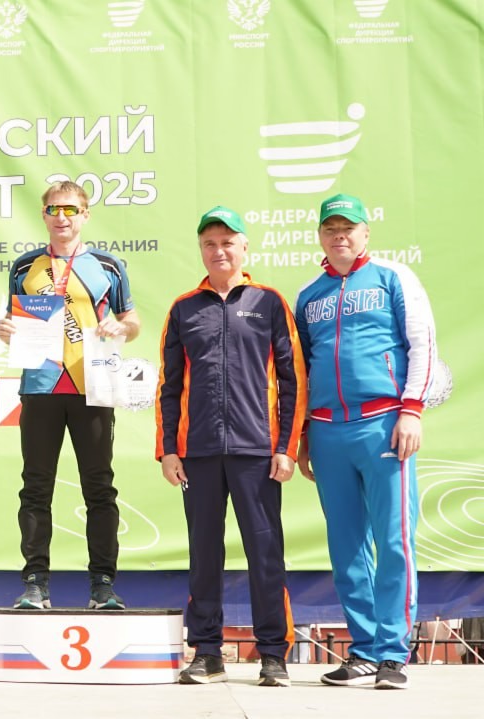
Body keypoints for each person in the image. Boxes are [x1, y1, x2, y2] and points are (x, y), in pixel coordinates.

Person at [156, 207, 307, 687]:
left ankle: (273, 654)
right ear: (201, 250)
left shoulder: (269, 302)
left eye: (227, 242)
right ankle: (207, 652)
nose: (218, 251)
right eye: (210, 243)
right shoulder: (184, 308)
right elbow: (168, 386)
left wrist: (286, 447)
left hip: (257, 450)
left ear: (244, 248)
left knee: (265, 553)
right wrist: (168, 449)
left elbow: (293, 379)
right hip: (197, 452)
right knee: (204, 554)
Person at [295, 194, 437, 690]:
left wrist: (411, 410)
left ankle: (393, 653)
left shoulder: (393, 277)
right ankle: (363, 649)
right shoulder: (308, 295)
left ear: (365, 233)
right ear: (319, 236)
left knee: (394, 541)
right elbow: (301, 368)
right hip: (326, 428)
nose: (340, 236)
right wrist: (304, 436)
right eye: (331, 228)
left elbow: (422, 344)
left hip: (383, 423)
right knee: (346, 544)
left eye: (348, 228)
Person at [0, 181, 140, 610]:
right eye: (54, 209)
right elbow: (14, 323)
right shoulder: (25, 266)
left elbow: (132, 321)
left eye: (71, 210)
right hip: (40, 387)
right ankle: (35, 583)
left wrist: (120, 327)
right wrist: (6, 331)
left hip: (92, 387)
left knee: (99, 488)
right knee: (35, 488)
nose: (62, 217)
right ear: (44, 215)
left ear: (85, 215)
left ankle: (103, 585)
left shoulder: (108, 266)